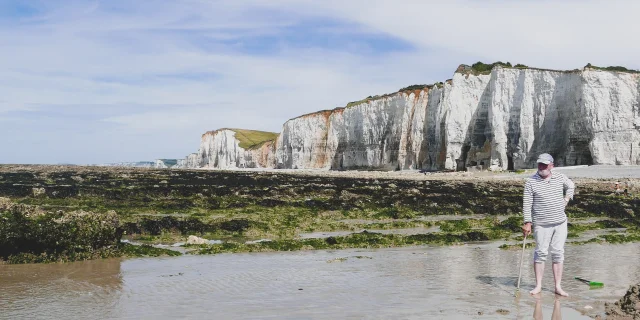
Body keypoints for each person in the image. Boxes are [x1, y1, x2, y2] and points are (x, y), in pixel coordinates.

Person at [521, 153, 575, 296]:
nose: (541, 167)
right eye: (540, 164)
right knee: (541, 253)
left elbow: (571, 186)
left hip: (560, 223)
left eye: (545, 165)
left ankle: (557, 286)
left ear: (552, 166)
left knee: (558, 253)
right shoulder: (531, 182)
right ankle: (538, 285)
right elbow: (527, 204)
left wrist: (566, 200)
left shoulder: (559, 177)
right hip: (541, 224)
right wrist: (528, 223)